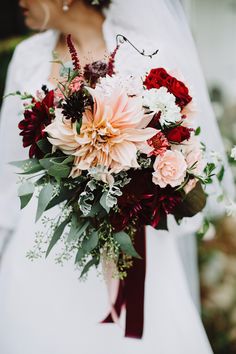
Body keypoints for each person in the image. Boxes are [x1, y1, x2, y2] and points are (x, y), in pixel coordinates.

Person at [0, 1, 234, 353]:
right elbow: (8, 169)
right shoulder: (28, 58)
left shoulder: (148, 50)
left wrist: (143, 178)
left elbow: (186, 149)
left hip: (135, 248)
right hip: (41, 248)